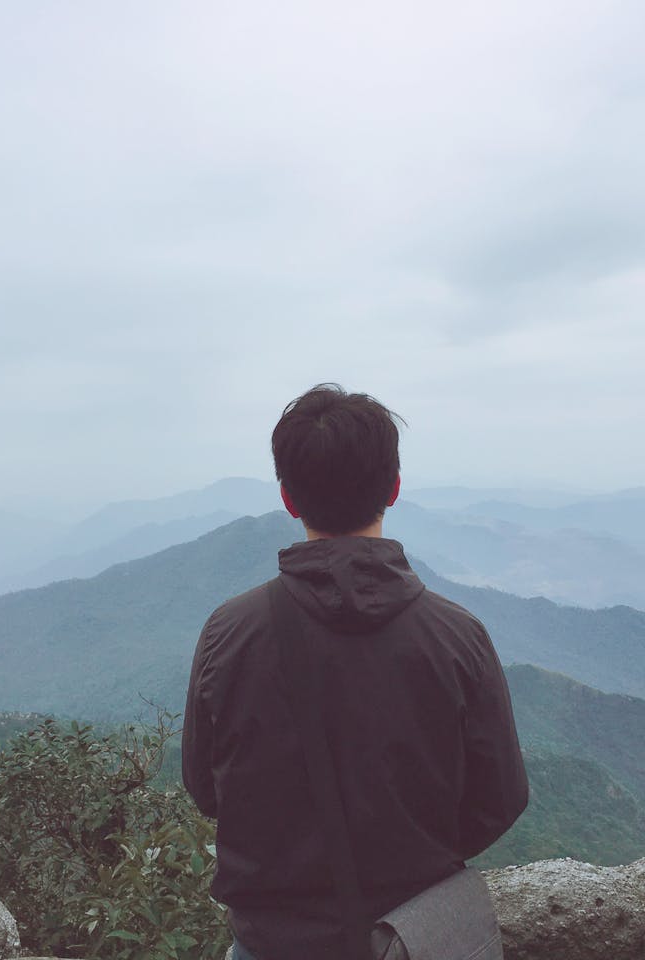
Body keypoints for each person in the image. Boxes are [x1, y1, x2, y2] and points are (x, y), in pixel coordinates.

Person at [182, 383, 529, 960]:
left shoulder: (229, 634)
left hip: (272, 944)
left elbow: (204, 783)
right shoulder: (458, 637)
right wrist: (420, 855)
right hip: (416, 940)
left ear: (289, 499)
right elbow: (501, 797)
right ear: (393, 488)